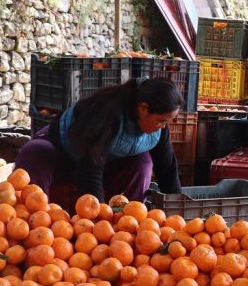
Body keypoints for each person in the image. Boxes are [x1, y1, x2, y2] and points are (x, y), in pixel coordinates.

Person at [15, 77, 184, 207]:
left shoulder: (158, 130)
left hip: (106, 160)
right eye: (161, 121)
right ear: (143, 108)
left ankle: (126, 220)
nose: (164, 127)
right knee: (35, 152)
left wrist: (178, 210)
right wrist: (98, 221)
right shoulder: (107, 115)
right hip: (66, 149)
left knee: (142, 162)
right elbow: (90, 170)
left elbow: (167, 169)